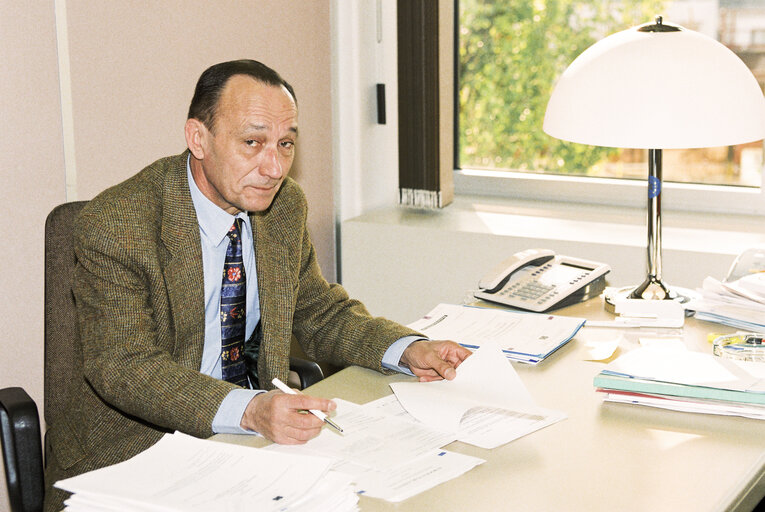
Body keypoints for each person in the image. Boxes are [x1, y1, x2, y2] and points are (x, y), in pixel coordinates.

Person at [43, 59, 471, 511]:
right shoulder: (118, 224)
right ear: (198, 138)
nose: (274, 167)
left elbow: (318, 311)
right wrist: (246, 409)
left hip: (252, 454)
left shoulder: (283, 208)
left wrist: (404, 348)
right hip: (135, 456)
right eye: (253, 142)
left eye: (286, 144)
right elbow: (124, 366)